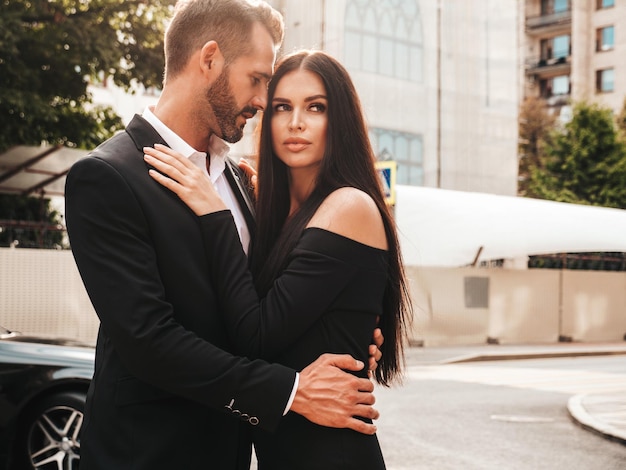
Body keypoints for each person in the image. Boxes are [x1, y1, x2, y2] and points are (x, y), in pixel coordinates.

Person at [65, 2, 382, 470]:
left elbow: (260, 306)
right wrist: (290, 392)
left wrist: (343, 333)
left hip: (236, 452)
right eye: (257, 79)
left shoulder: (244, 182)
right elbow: (148, 341)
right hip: (147, 454)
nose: (261, 100)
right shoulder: (107, 176)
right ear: (210, 59)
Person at [143, 50, 412, 469]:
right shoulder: (276, 212)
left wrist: (217, 216)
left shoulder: (349, 207)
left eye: (316, 107)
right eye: (282, 107)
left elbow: (257, 334)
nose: (296, 122)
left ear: (340, 120)